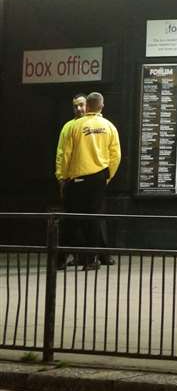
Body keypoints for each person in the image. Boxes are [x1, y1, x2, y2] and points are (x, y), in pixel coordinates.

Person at [55, 91, 121, 269]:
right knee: (93, 219)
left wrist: (62, 177)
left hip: (77, 179)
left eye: (81, 105)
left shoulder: (74, 127)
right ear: (101, 106)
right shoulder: (109, 126)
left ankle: (62, 259)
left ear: (88, 106)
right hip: (99, 177)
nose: (78, 108)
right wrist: (108, 176)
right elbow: (116, 155)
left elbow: (64, 154)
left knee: (71, 219)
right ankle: (91, 259)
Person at [55, 96, 88, 267]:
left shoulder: (93, 125)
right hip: (72, 179)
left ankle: (84, 256)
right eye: (76, 106)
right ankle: (69, 255)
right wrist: (61, 177)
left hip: (87, 179)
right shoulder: (68, 127)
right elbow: (62, 154)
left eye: (81, 105)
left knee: (84, 220)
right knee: (72, 220)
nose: (79, 109)